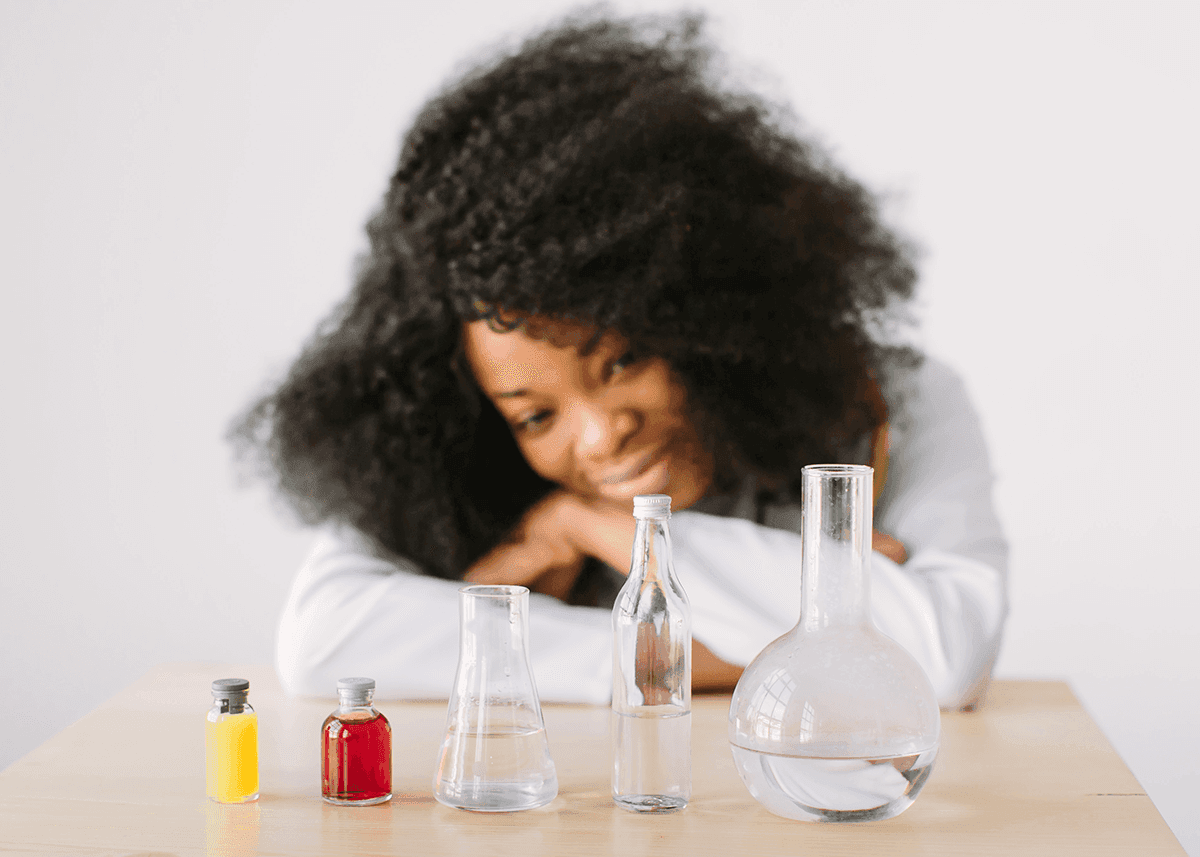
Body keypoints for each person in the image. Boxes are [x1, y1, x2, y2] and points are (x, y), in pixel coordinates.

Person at [230, 12, 1007, 711]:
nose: (602, 437)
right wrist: (776, 653)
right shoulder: (450, 472)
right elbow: (324, 642)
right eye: (535, 416)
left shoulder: (902, 399)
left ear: (707, 313)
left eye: (623, 360)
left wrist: (608, 531)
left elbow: (946, 654)